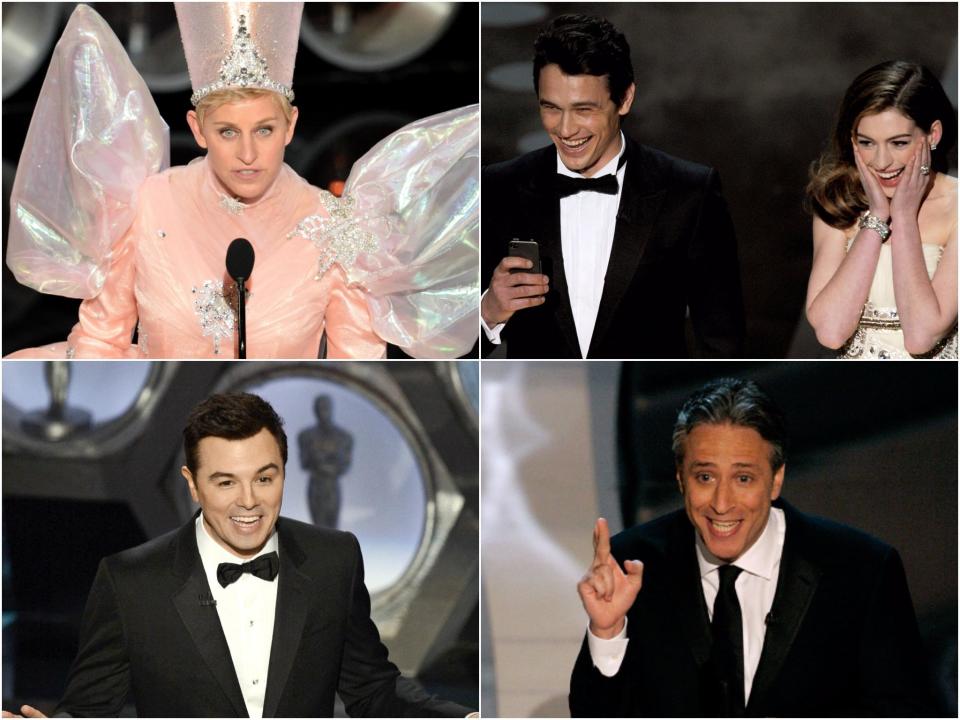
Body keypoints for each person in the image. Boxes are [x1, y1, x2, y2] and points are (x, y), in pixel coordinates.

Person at [5, 3, 478, 359]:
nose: (248, 155)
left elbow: (354, 368)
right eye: (228, 131)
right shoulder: (146, 204)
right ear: (196, 130)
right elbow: (99, 341)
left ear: (291, 126)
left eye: (265, 130)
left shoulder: (336, 225)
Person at [2, 392, 473, 718]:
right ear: (192, 483)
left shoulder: (334, 559)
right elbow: (90, 708)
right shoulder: (131, 580)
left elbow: (373, 688)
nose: (249, 501)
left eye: (265, 479)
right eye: (225, 482)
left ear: (285, 472)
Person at [570, 378, 932, 716]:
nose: (722, 503)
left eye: (743, 478)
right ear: (681, 478)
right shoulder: (632, 566)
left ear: (776, 480)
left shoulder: (861, 571)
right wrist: (607, 632)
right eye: (705, 477)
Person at [480, 14, 744, 359]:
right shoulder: (498, 187)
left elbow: (724, 345)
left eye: (584, 109)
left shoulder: (690, 191)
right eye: (551, 108)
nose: (565, 128)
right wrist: (488, 311)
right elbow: (442, 346)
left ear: (625, 99)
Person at [805, 60, 957, 359]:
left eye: (899, 143)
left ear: (933, 135)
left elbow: (921, 335)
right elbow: (831, 332)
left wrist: (903, 218)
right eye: (867, 143)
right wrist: (876, 217)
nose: (882, 161)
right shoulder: (837, 202)